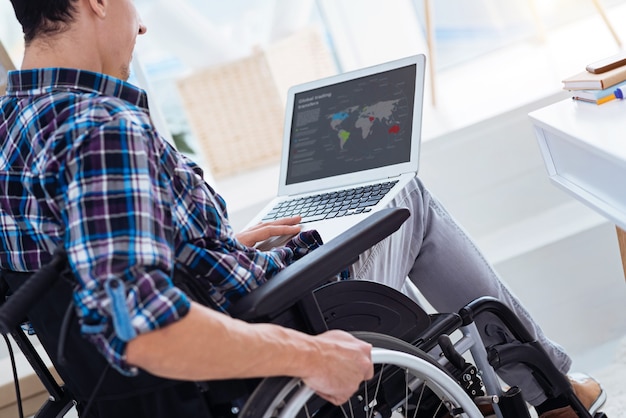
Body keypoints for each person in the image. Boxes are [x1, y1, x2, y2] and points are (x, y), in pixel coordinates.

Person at [0, 1, 605, 417]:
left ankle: (551, 385)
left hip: (137, 374)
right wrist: (313, 355)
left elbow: (78, 278)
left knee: (350, 215)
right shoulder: (101, 126)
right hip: (273, 325)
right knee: (408, 199)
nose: (143, 27)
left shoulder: (13, 126)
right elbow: (143, 323)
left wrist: (222, 245)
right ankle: (553, 391)